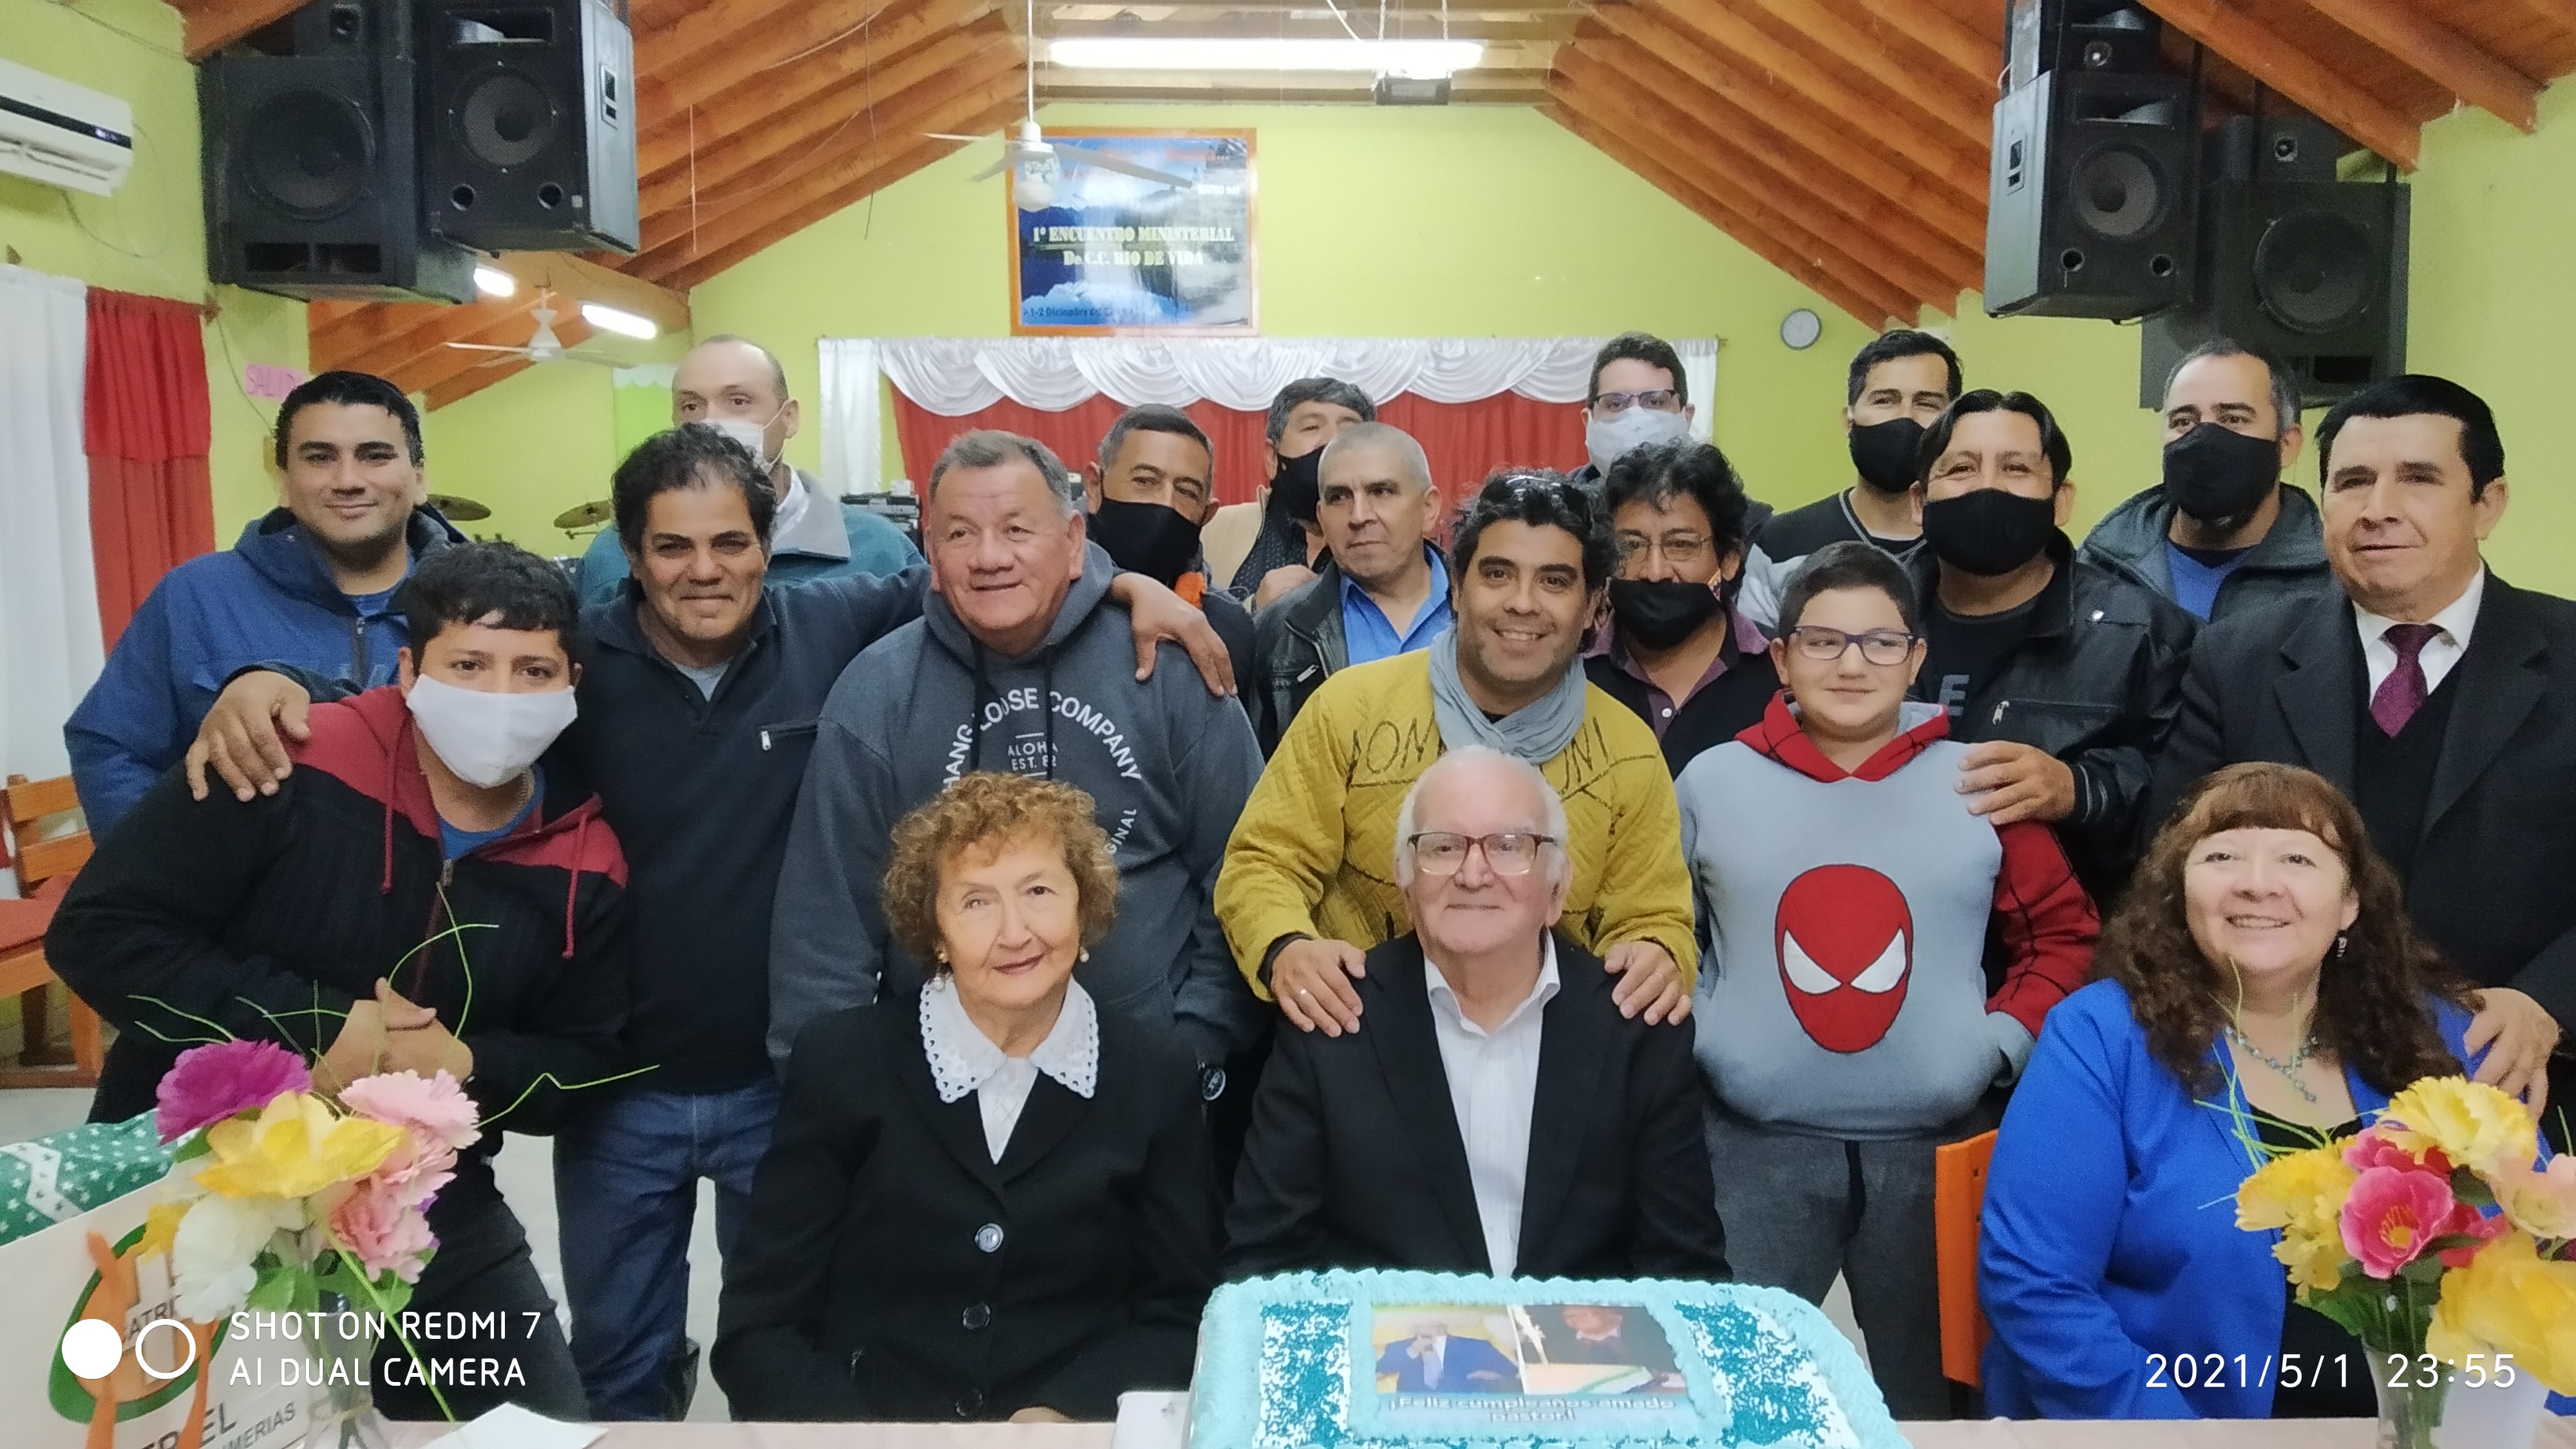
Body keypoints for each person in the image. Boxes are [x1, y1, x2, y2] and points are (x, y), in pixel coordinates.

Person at [180, 425, 1235, 1421]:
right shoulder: (581, 668)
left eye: (731, 542)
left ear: (768, 549)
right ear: (629, 557)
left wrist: (1130, 586)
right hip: (628, 1083)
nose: (704, 568)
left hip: (957, 1082)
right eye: (672, 547)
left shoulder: (833, 628)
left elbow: (1220, 848)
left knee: (951, 1304)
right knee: (633, 1352)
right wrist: (271, 680)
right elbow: (456, 673)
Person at [50, 542, 623, 1421]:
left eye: (533, 671)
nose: (500, 698)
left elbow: (590, 1058)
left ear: (572, 682)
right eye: (469, 665)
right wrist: (316, 1028)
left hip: (416, 1203)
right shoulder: (282, 762)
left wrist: (467, 1064)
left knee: (536, 1426)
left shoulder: (588, 858)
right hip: (195, 1175)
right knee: (187, 1421)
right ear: (409, 669)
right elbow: (99, 932)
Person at [1677, 542, 2098, 1419]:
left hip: (1936, 1157)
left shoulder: (1981, 781)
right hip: (1751, 1155)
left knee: (1936, 1407)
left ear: (1916, 658)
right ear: (1781, 655)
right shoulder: (1711, 782)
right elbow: (1663, 934)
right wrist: (1707, 1037)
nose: (1851, 663)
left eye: (1879, 642)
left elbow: (2063, 936)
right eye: (1823, 640)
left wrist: (1995, 1046)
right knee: (1735, 1402)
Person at [766, 430, 1266, 1105]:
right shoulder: (875, 695)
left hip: (1145, 1087)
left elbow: (1242, 867)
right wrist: (835, 1102)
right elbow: (826, 928)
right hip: (939, 1100)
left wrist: (1196, 1043)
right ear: (931, 552)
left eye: (1016, 529)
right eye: (960, 534)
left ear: (1072, 541)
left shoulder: (1168, 670)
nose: (989, 557)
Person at [1980, 763, 2488, 1419]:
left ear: (2351, 902)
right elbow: (2036, 1287)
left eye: (2297, 858)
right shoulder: (2101, 1036)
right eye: (2222, 856)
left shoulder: (2438, 1034)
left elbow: (2542, 1253)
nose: (2257, 884)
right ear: (2179, 893)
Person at [714, 773, 1215, 1423]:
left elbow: (1184, 1314)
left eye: (1038, 892)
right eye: (976, 902)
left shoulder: (1154, 1074)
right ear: (936, 934)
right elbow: (760, 1329)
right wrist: (869, 1440)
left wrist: (1066, 1412)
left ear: (1083, 905)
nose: (1015, 932)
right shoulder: (842, 1063)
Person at [2146, 374, 2571, 1133]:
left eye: (2417, 478)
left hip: (2523, 1084)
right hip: (2279, 1088)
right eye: (2351, 482)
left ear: (2488, 503)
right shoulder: (2237, 659)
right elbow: (2170, 860)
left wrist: (2550, 1001)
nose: (2378, 508)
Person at [1218, 471, 1699, 1039]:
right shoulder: (1349, 710)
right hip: (1356, 1038)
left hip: (1549, 1052)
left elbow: (1653, 913)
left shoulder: (1628, 751)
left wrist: (1654, 953)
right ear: (1455, 587)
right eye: (1497, 574)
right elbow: (1264, 862)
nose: (1522, 603)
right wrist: (1286, 947)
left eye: (1554, 581)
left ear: (1595, 604)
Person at [1224, 748, 1731, 1282]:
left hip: (1586, 1336)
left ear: (1557, 889)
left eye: (1509, 846)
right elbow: (1263, 1267)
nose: (1472, 874)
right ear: (1405, 885)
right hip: (1386, 1332)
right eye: (1442, 847)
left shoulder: (1637, 1028)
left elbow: (1686, 1275)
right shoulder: (1332, 1022)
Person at [65, 370, 464, 835]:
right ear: (284, 481)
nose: (348, 480)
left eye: (375, 456)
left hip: (435, 879)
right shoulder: (196, 596)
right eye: (320, 457)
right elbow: (112, 749)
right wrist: (170, 863)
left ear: (419, 479)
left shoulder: (479, 603)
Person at [1904, 389, 2195, 900]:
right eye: (1962, 469)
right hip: (1887, 922)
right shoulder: (1864, 622)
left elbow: (2190, 804)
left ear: (2061, 501)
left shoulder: (2146, 635)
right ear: (1918, 501)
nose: (1988, 487)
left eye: (2016, 468)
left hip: (2076, 933)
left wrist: (2078, 789)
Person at [574, 334, 918, 605]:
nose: (711, 422)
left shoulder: (879, 550)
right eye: (691, 406)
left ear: (789, 417)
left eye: (738, 401)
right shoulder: (614, 556)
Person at [2079, 339, 2332, 621]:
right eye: (2184, 422)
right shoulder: (2096, 571)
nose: (2204, 437)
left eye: (2233, 419)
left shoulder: (2336, 581)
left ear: (2287, 444)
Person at [1250, 421, 1452, 753]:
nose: (1358, 516)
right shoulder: (1278, 633)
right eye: (1339, 497)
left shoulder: (1485, 614)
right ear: (1321, 516)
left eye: (1381, 492)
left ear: (1428, 508)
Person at [1738, 330, 1958, 632]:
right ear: (1849, 420)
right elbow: (1755, 653)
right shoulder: (1780, 543)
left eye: (1927, 404)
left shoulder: (1971, 543)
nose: (1905, 417)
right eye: (1885, 400)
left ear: (1953, 424)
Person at [1585, 437, 1776, 775]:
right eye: (1631, 547)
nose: (1655, 571)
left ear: (1730, 560)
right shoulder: (1570, 672)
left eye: (1681, 545)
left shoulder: (1784, 672)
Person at [1083, 403, 1259, 714]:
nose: (1166, 503)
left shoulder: (1227, 626)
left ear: (1207, 514)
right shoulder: (1039, 604)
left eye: (1187, 492)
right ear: (1095, 487)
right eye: (1145, 481)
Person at [1203, 376, 1374, 605]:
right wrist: (1254, 610)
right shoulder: (1213, 531)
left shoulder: (1387, 539)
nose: (1332, 441)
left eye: (1349, 430)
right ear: (1272, 457)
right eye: (1311, 427)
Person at [1567, 332, 1698, 498]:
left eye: (1655, 402)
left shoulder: (1722, 509)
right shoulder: (1558, 509)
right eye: (1616, 404)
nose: (1636, 418)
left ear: (1687, 416)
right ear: (1588, 422)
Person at [1377, 1318, 1522, 1394]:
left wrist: (1492, 1376)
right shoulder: (1400, 1347)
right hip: (1414, 1413)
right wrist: (1411, 1352)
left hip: (1463, 1410)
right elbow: (1377, 1374)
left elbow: (1513, 1375)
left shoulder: (1477, 1346)